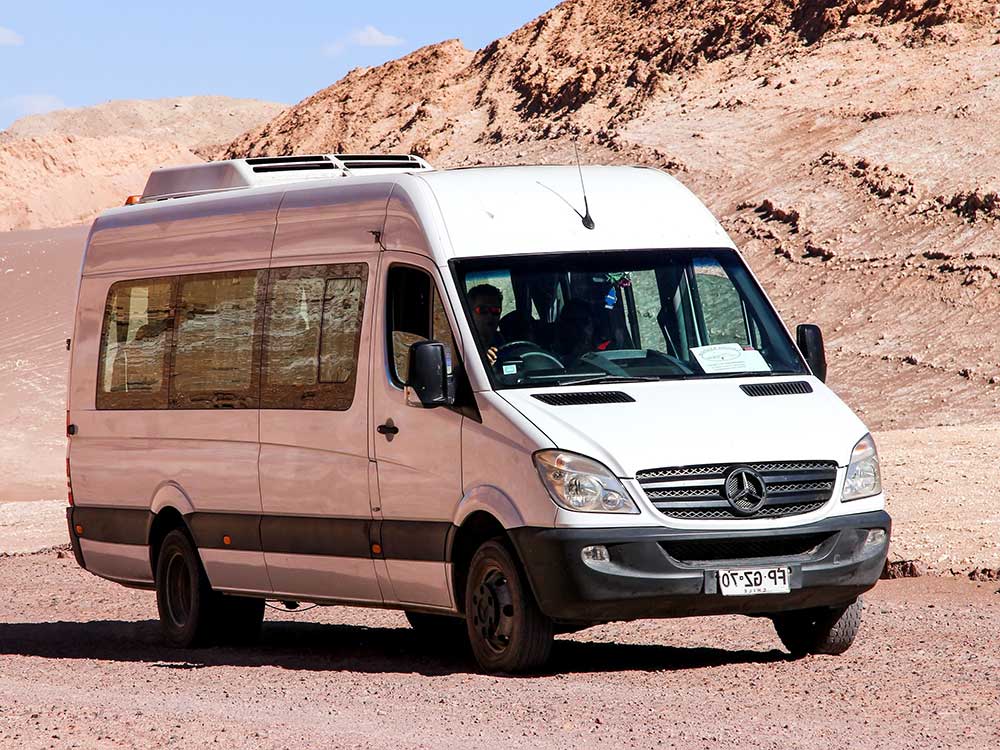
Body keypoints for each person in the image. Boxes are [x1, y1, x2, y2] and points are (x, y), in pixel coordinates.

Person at [468, 284, 505, 365]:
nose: (490, 315)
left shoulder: (506, 341)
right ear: (469, 313)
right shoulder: (465, 345)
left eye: (495, 310)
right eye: (482, 310)